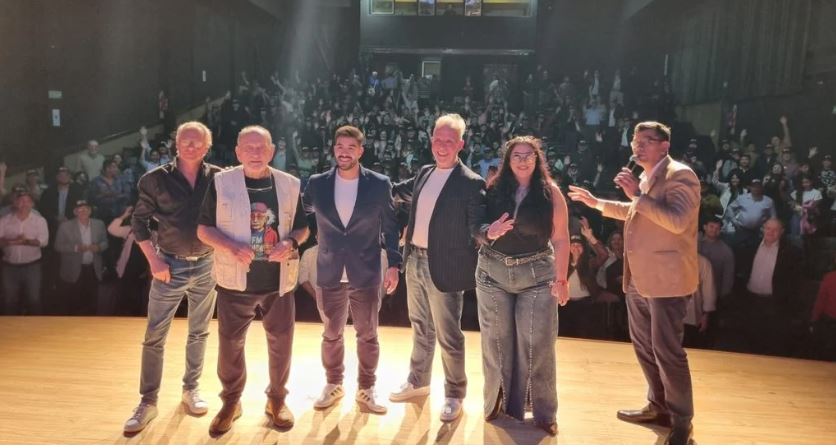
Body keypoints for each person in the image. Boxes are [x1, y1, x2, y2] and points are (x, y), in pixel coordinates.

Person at [568, 121, 700, 445]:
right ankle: (658, 407)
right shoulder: (646, 177)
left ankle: (682, 421)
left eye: (646, 141)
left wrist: (638, 195)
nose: (637, 146)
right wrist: (597, 203)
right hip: (639, 278)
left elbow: (678, 221)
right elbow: (636, 211)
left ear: (665, 146)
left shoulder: (681, 175)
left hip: (666, 280)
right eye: (635, 141)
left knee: (667, 351)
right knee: (644, 347)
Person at [197, 125, 309, 434]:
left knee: (281, 343)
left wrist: (291, 242)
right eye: (249, 147)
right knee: (230, 344)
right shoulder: (221, 183)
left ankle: (277, 399)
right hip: (235, 280)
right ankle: (231, 402)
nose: (255, 153)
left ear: (272, 151)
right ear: (238, 152)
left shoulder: (289, 184)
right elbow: (203, 229)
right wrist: (230, 246)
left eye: (261, 147)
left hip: (278, 281)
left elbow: (303, 227)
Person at [124, 121, 221, 433]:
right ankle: (148, 401)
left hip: (207, 265)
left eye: (197, 142)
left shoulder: (220, 178)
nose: (191, 146)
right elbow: (138, 223)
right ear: (176, 144)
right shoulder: (154, 179)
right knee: (155, 335)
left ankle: (191, 389)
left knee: (199, 332)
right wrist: (153, 260)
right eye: (185, 141)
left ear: (207, 146)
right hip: (168, 265)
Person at [389, 113, 487, 423]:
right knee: (420, 326)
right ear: (431, 140)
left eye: (449, 141)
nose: (442, 146)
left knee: (448, 335)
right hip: (414, 260)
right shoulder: (424, 173)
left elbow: (477, 227)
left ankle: (455, 393)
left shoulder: (471, 182)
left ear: (461, 144)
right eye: (438, 139)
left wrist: (489, 233)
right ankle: (418, 381)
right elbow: (393, 190)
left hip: (444, 267)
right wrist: (362, 183)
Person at [302, 125, 402, 414]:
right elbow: (300, 213)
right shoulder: (317, 183)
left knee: (368, 335)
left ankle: (366, 388)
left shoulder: (379, 184)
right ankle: (333, 383)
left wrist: (394, 264)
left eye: (350, 147)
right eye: (339, 147)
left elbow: (391, 227)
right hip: (329, 270)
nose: (344, 152)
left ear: (361, 151)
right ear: (334, 149)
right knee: (331, 334)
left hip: (366, 271)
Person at [475, 136, 570, 435]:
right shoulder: (492, 188)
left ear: (537, 159)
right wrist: (489, 232)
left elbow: (561, 238)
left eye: (529, 155)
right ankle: (496, 405)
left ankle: (544, 413)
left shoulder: (551, 193)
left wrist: (562, 279)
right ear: (508, 160)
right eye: (516, 155)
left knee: (537, 344)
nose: (523, 160)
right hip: (492, 272)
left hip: (537, 276)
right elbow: (476, 227)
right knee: (496, 343)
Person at [54, 200, 108, 315]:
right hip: (73, 269)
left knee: (92, 299)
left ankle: (91, 323)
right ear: (75, 212)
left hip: (93, 268)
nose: (83, 211)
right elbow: (58, 246)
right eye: (80, 209)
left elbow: (105, 242)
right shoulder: (65, 226)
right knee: (74, 300)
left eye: (86, 209)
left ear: (90, 211)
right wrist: (76, 248)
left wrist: (98, 247)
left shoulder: (99, 224)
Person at [0, 190, 48, 315]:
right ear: (15, 203)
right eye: (21, 200)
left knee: (34, 299)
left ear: (32, 204)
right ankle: (11, 326)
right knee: (9, 300)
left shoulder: (40, 220)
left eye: (27, 201)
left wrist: (26, 241)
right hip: (9, 266)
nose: (24, 203)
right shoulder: (4, 220)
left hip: (32, 266)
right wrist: (11, 241)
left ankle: (36, 326)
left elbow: (43, 242)